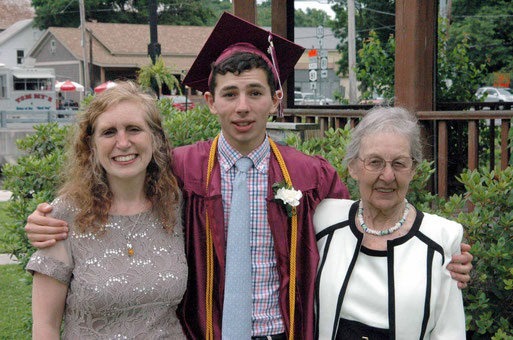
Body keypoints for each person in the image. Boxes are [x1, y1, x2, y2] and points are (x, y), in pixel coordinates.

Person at [24, 13, 472, 340]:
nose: (243, 107)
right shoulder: (178, 168)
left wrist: (436, 253)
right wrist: (46, 218)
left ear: (276, 99)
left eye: (255, 93)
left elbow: (365, 224)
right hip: (204, 334)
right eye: (230, 94)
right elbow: (111, 188)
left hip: (286, 333)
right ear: (209, 101)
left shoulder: (310, 175)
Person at [26, 81, 187, 339]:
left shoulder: (176, 206)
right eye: (109, 132)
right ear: (91, 144)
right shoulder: (63, 216)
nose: (123, 143)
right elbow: (45, 325)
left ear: (155, 138)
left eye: (134, 129)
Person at [313, 106, 466, 339]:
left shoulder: (442, 238)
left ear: (413, 169)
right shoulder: (324, 221)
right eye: (374, 162)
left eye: (399, 163)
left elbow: (449, 332)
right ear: (353, 167)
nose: (387, 176)